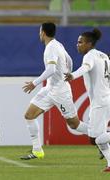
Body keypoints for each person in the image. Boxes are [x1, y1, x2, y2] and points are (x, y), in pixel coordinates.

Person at [21, 22, 88, 160]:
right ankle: (37, 150)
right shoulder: (58, 44)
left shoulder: (51, 48)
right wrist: (67, 72)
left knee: (74, 124)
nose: (39, 34)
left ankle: (102, 135)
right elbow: (69, 60)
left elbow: (51, 70)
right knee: (29, 115)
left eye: (40, 31)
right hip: (49, 89)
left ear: (43, 33)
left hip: (60, 92)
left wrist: (34, 83)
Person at [64, 28, 110, 172]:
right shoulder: (103, 55)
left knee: (97, 139)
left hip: (100, 102)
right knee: (95, 138)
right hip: (104, 98)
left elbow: (86, 67)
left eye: (80, 42)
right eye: (78, 42)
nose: (77, 45)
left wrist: (72, 75)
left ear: (89, 44)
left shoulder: (89, 56)